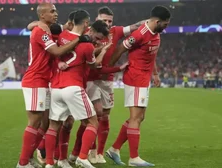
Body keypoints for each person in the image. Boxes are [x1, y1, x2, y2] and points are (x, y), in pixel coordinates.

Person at [17, 3, 92, 168]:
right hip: (36, 80)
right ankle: (22, 163)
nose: (56, 13)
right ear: (42, 15)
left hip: (45, 81)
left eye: (56, 10)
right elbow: (57, 52)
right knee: (35, 121)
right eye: (52, 11)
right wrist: (79, 39)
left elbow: (37, 26)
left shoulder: (48, 30)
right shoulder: (41, 32)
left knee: (44, 124)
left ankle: (28, 159)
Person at [105, 6, 171, 166]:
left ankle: (114, 149)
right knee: (136, 117)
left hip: (144, 78)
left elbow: (151, 55)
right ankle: (134, 158)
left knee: (140, 117)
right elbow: (121, 48)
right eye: (165, 24)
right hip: (135, 77)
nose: (166, 27)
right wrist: (107, 68)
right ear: (157, 21)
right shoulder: (140, 34)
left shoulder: (156, 33)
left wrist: (154, 74)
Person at [44, 9, 111, 168]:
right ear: (87, 23)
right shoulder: (87, 45)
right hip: (73, 87)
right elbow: (94, 65)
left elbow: (55, 53)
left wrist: (59, 63)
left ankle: (50, 163)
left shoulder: (62, 36)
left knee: (55, 126)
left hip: (56, 87)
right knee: (93, 122)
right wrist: (103, 50)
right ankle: (82, 157)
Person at [80, 6, 145, 164]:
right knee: (96, 113)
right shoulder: (87, 32)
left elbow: (137, 25)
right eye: (104, 20)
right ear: (97, 19)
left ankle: (101, 152)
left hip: (107, 79)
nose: (108, 23)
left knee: (105, 115)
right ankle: (91, 150)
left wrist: (150, 23)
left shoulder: (116, 31)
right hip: (90, 78)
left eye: (110, 21)